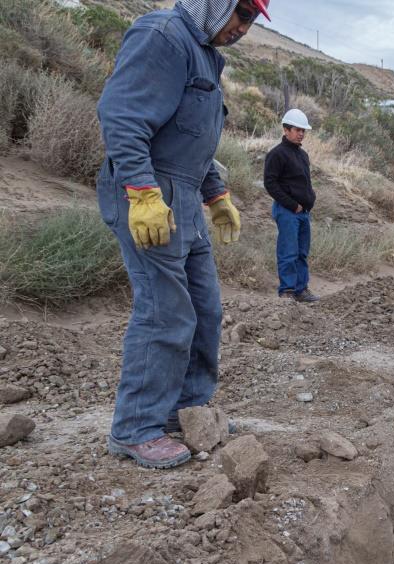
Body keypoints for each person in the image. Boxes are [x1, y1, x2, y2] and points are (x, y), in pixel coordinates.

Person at [95, 0, 269, 469]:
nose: (243, 29)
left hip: (186, 196)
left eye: (252, 21)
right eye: (242, 15)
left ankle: (185, 411)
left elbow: (192, 139)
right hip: (150, 190)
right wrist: (142, 192)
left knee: (206, 309)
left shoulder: (206, 55)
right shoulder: (164, 36)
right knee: (164, 311)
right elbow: (122, 117)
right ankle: (135, 427)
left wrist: (216, 195)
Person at [264, 108, 319, 303]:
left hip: (303, 213)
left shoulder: (303, 155)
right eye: (298, 130)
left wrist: (309, 200)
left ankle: (301, 289)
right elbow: (270, 183)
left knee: (302, 252)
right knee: (288, 251)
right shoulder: (276, 154)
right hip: (287, 211)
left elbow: (305, 182)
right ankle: (287, 291)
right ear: (286, 130)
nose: (301, 134)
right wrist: (292, 205)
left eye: (303, 130)